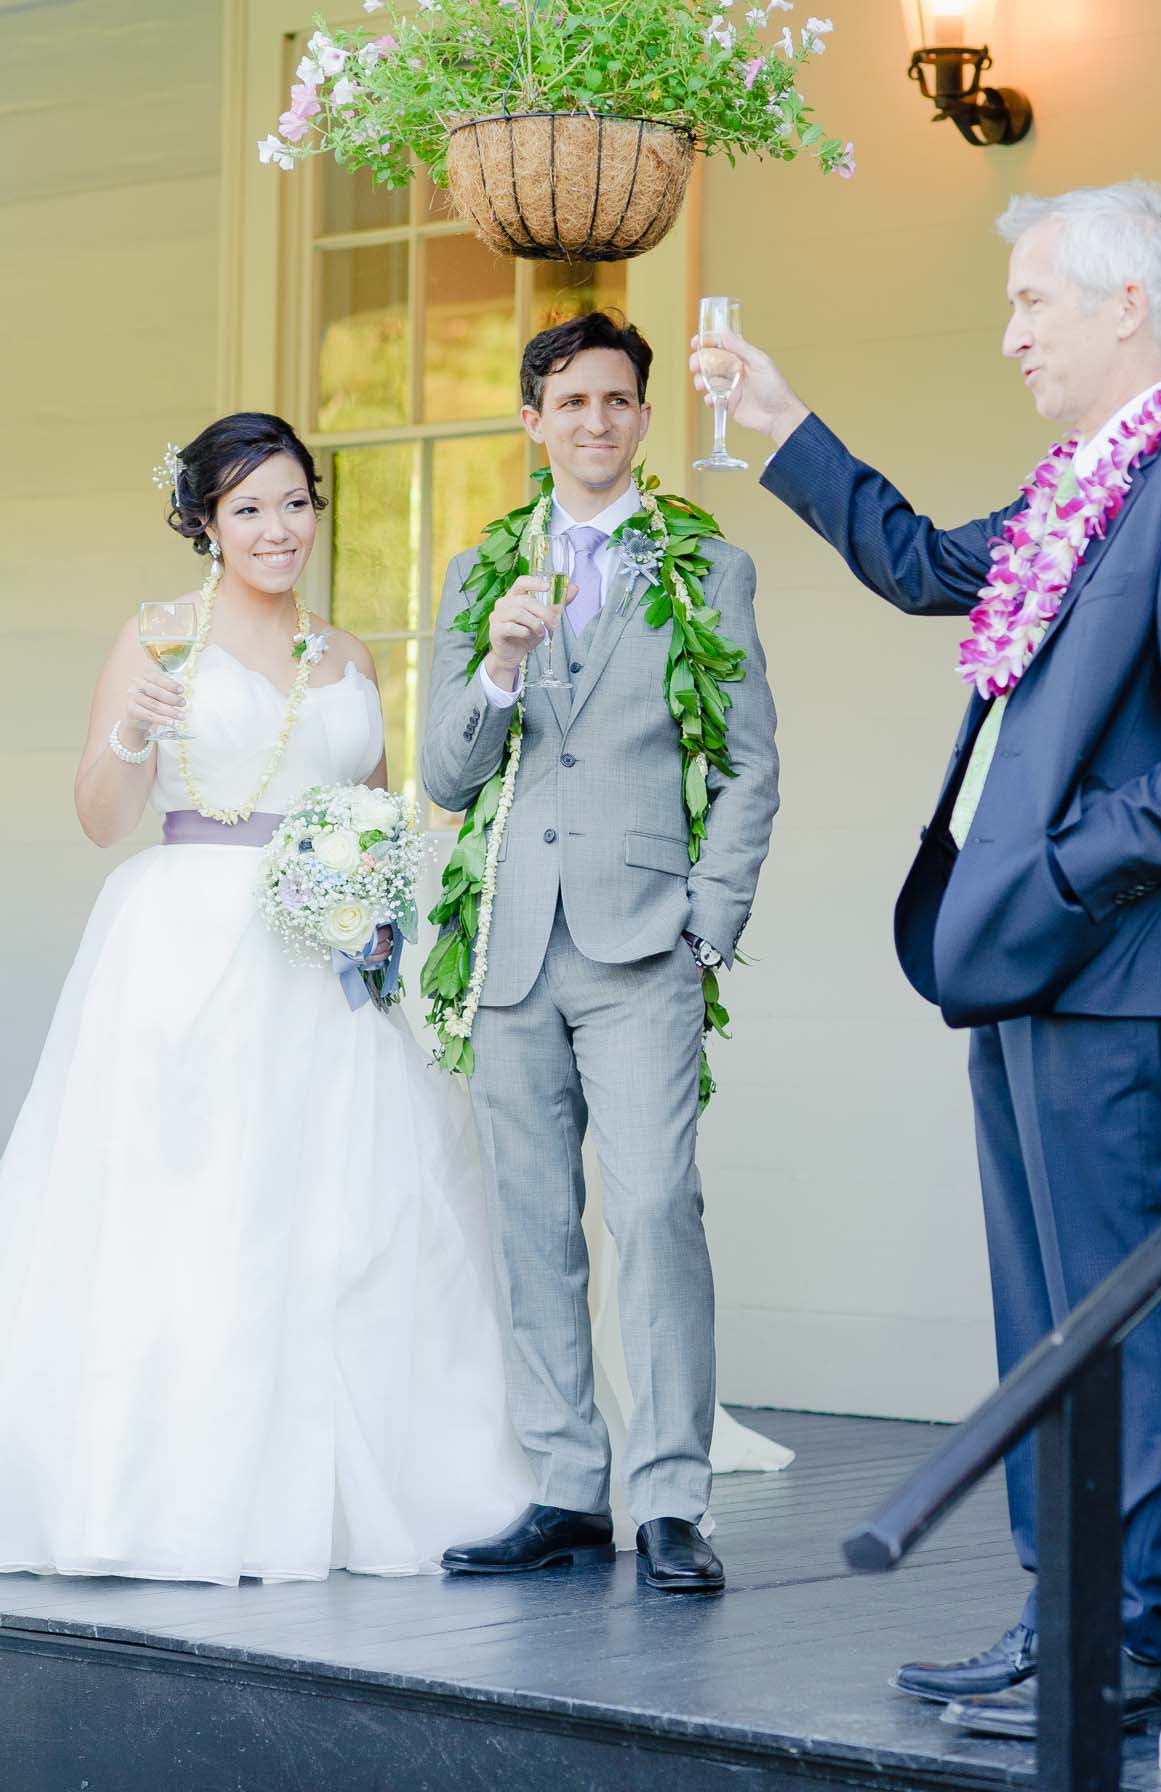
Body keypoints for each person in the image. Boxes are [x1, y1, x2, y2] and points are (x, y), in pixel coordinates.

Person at [692, 181, 1161, 1727]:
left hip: (1107, 962)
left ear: (1123, 306)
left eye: (1029, 301)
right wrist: (778, 423)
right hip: (1020, 960)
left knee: (1123, 1314)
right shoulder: (1083, 482)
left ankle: (1134, 1645)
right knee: (1043, 1322)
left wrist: (1068, 867)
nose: (1008, 332)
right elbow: (920, 566)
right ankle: (1059, 1618)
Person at [0, 412, 532, 1583]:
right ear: (206, 523)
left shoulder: (348, 652)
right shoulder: (158, 637)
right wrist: (132, 727)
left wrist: (373, 903)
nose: (278, 527)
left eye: (295, 502)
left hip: (327, 963)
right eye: (249, 507)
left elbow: (375, 810)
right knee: (201, 1207)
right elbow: (101, 816)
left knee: (346, 1217)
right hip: (189, 950)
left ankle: (348, 1489)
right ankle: (177, 1490)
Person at [423, 313, 780, 1593]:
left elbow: (747, 762)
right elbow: (446, 775)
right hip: (510, 943)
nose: (594, 420)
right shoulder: (480, 572)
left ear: (642, 415)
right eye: (570, 400)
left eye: (616, 399)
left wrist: (706, 921)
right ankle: (567, 1486)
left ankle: (671, 1496)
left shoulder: (707, 567)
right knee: (534, 1223)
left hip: (643, 946)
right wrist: (501, 665)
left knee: (653, 1206)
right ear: (533, 421)